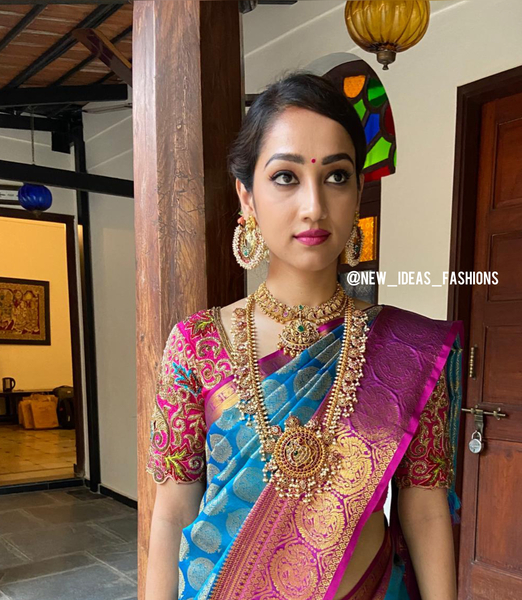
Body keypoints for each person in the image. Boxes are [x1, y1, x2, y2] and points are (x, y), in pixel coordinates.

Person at [145, 71, 463, 600]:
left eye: (336, 176)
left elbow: (425, 507)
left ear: (358, 193)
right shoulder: (197, 345)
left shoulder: (407, 351)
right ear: (247, 196)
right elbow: (173, 509)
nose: (314, 205)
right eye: (286, 177)